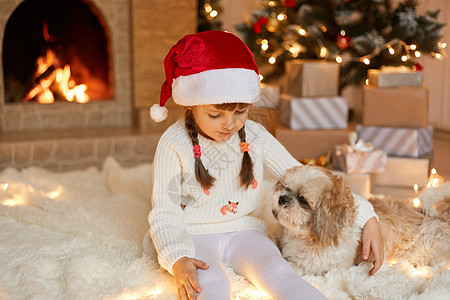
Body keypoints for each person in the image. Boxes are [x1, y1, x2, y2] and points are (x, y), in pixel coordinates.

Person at [146, 30, 383, 300]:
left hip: (244, 230)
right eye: (215, 114)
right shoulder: (173, 144)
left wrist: (368, 215)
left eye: (240, 112)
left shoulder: (255, 135)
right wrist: (177, 258)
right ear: (190, 106)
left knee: (278, 272)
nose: (230, 124)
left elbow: (306, 178)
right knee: (209, 284)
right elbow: (164, 211)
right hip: (193, 233)